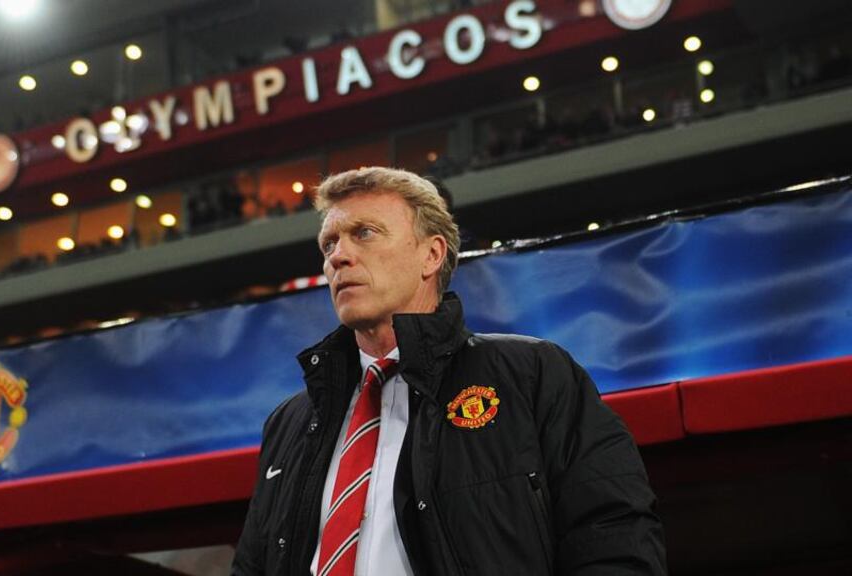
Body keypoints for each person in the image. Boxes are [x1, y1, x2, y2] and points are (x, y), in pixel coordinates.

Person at [232, 167, 666, 575]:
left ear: (431, 254)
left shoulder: (533, 374)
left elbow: (614, 535)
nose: (339, 257)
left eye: (364, 233)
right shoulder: (288, 424)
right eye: (329, 244)